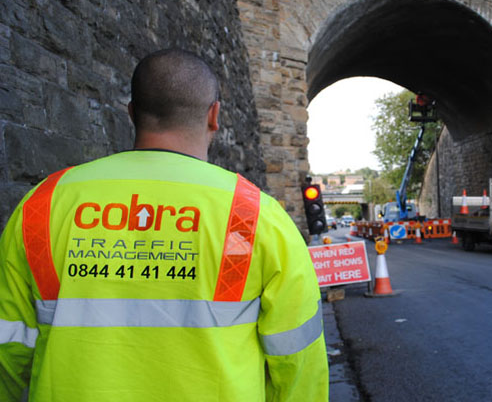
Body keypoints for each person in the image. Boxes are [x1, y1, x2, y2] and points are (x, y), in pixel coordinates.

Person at [0, 48, 328, 401]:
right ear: (214, 115)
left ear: (131, 113)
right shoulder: (254, 216)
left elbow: (7, 348)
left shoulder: (43, 205)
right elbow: (298, 362)